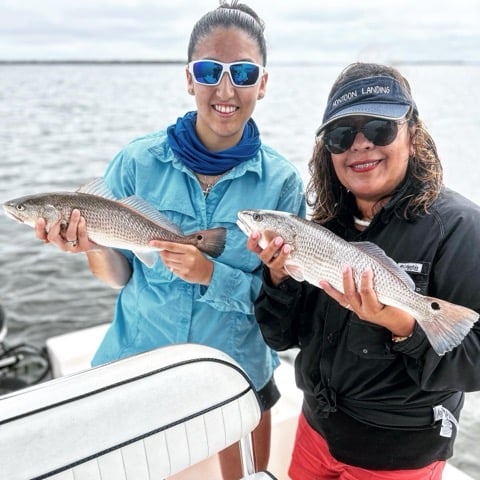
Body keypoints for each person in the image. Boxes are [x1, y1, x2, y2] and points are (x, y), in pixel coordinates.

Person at [34, 2, 305, 478]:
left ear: (263, 83)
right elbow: (119, 277)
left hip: (237, 366)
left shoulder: (280, 183)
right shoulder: (137, 162)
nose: (225, 89)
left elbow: (280, 303)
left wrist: (211, 275)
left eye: (243, 72)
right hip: (140, 359)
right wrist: (92, 246)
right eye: (209, 70)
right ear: (189, 78)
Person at [246, 61, 480, 480]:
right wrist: (279, 279)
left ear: (413, 135)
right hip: (316, 431)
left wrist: (403, 325)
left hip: (397, 456)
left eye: (379, 129)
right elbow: (279, 336)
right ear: (328, 151)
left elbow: (475, 360)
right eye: (341, 136)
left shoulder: (462, 227)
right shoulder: (324, 227)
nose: (360, 145)